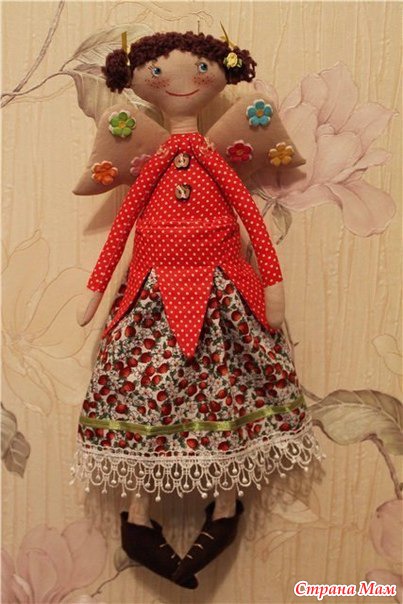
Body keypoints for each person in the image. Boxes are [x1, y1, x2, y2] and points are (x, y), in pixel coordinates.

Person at [69, 30, 323, 589]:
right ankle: (138, 521)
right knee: (147, 391)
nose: (179, 82)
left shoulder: (213, 160)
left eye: (199, 70)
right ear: (137, 81)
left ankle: (225, 509)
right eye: (157, 73)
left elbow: (252, 223)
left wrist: (272, 285)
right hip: (152, 291)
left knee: (227, 384)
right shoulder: (157, 160)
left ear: (222, 73)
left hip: (224, 287)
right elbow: (125, 225)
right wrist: (97, 289)